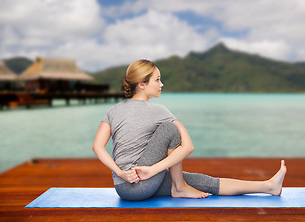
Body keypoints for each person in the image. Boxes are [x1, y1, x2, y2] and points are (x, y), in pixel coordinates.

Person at [92, 59, 287, 201]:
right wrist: (152, 170)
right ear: (142, 85)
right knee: (170, 129)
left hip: (123, 188)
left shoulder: (113, 110)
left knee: (200, 182)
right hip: (142, 184)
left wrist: (121, 173)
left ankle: (269, 186)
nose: (162, 84)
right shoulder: (159, 111)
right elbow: (188, 146)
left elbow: (97, 147)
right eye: (157, 80)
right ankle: (179, 187)